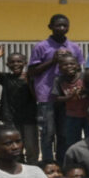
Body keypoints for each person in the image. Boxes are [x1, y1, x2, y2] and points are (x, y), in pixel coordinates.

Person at [28, 14, 78, 163]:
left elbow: (79, 69)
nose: (62, 28)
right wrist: (53, 60)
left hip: (67, 97)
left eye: (65, 25)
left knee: (64, 133)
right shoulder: (41, 47)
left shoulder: (74, 47)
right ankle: (48, 164)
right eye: (58, 25)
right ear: (50, 27)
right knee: (47, 133)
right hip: (46, 96)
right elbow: (32, 72)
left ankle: (62, 162)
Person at [0, 47, 39, 163]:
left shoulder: (31, 77)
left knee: (31, 146)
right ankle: (17, 166)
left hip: (29, 118)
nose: (15, 64)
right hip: (10, 118)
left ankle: (33, 168)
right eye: (12, 62)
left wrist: (29, 82)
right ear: (7, 64)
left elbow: (36, 96)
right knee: (14, 146)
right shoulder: (6, 78)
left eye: (18, 61)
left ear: (25, 63)